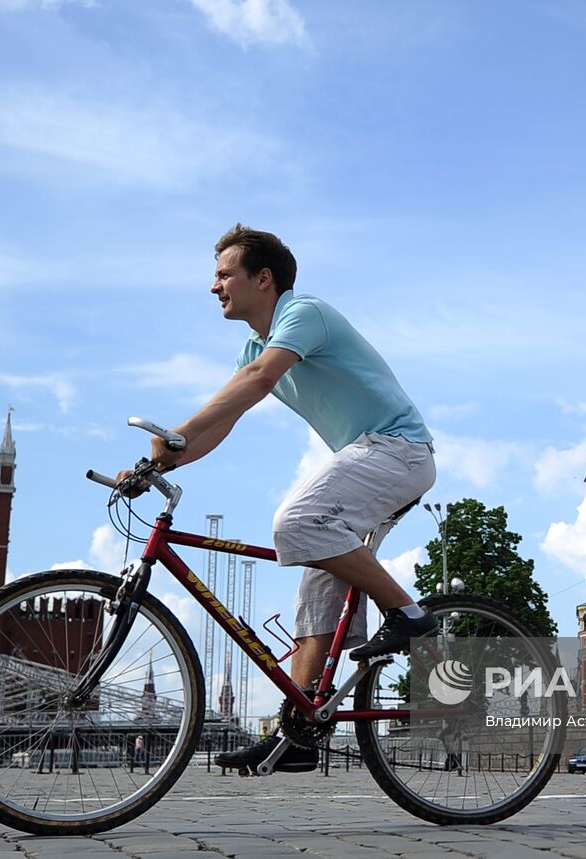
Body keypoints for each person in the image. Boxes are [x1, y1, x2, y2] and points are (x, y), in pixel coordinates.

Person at [124, 224, 436, 774]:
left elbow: (260, 379)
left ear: (263, 278)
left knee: (297, 522)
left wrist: (177, 433)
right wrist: (159, 463)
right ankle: (298, 733)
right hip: (371, 456)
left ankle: (408, 614)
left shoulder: (303, 313)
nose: (214, 286)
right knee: (316, 594)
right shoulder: (254, 347)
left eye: (224, 274)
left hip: (397, 449)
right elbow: (226, 418)